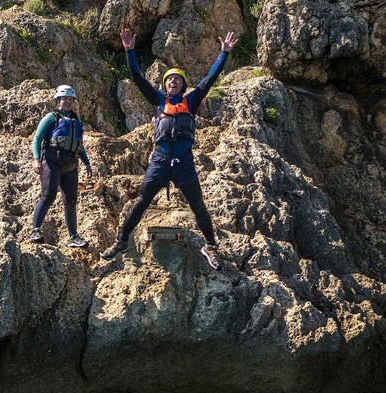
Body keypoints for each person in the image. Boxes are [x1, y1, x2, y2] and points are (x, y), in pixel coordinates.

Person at [100, 29, 239, 270]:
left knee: (198, 206)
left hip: (183, 161)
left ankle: (211, 246)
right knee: (141, 201)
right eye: (169, 79)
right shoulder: (158, 101)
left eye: (177, 79)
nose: (173, 81)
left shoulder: (192, 101)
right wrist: (130, 51)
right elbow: (137, 77)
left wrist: (223, 54)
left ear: (183, 85)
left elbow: (210, 79)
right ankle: (121, 241)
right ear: (164, 86)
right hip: (160, 160)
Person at [29, 84, 93, 248]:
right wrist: (37, 160)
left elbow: (79, 145)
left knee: (71, 201)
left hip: (71, 163)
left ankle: (73, 237)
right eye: (64, 99)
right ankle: (35, 230)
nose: (68, 102)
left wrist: (86, 163)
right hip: (52, 160)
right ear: (57, 100)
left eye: (70, 99)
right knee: (48, 195)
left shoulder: (75, 120)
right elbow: (37, 139)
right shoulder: (51, 117)